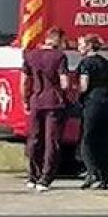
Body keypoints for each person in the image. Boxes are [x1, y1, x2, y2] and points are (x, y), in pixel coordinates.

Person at [22, 27, 72, 191]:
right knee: (52, 141)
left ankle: (32, 175)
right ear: (58, 40)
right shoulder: (60, 57)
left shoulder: (30, 55)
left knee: (35, 138)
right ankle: (45, 178)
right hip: (54, 101)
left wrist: (26, 100)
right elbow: (64, 83)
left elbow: (24, 82)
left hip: (36, 100)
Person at [75, 34, 108, 190]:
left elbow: (84, 86)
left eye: (80, 45)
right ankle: (105, 177)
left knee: (87, 141)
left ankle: (91, 172)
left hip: (93, 104)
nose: (78, 48)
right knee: (103, 141)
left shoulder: (85, 64)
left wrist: (77, 97)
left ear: (89, 46)